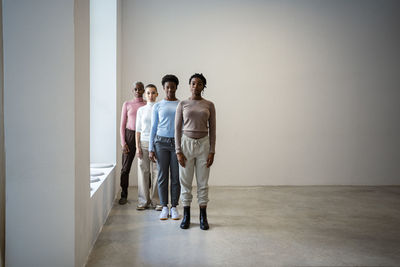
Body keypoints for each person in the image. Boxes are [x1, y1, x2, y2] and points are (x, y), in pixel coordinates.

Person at [175, 73, 216, 230]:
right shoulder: (183, 104)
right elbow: (177, 129)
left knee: (202, 182)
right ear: (189, 85)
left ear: (203, 87)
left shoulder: (209, 105)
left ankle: (202, 216)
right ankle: (186, 215)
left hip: (204, 145)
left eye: (199, 84)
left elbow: (213, 129)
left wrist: (212, 151)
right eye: (193, 83)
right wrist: (178, 151)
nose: (196, 86)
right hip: (186, 144)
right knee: (185, 181)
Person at [149, 74, 181, 220]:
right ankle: (164, 207)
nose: (170, 89)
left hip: (176, 143)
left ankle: (174, 207)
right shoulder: (158, 105)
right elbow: (153, 127)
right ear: (163, 88)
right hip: (160, 143)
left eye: (172, 87)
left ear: (176, 88)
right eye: (167, 87)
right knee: (162, 176)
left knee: (176, 176)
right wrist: (151, 148)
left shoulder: (181, 105)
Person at [135, 84, 162, 211]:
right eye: (148, 93)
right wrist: (137, 147)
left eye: (153, 93)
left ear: (157, 94)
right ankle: (143, 201)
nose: (150, 95)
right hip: (144, 143)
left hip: (157, 144)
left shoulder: (160, 108)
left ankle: (156, 201)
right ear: (145, 95)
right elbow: (138, 130)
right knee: (143, 172)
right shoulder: (141, 110)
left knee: (157, 172)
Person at [119, 81, 146, 205]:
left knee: (146, 167)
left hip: (142, 136)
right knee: (125, 168)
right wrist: (123, 142)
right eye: (135, 89)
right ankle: (124, 194)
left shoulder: (146, 104)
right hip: (130, 135)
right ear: (133, 90)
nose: (137, 91)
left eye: (140, 89)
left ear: (143, 91)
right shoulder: (127, 104)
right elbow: (122, 125)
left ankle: (147, 195)